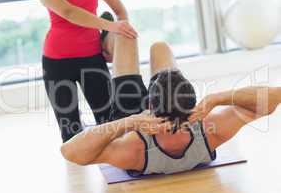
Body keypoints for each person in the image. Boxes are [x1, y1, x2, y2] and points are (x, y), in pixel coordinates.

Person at [60, 34, 281, 176]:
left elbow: (69, 150)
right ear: (193, 107)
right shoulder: (210, 131)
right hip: (156, 114)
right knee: (159, 47)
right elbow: (273, 98)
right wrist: (218, 98)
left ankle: (109, 40)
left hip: (129, 114)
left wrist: (129, 121)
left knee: (124, 36)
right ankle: (114, 37)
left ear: (150, 106)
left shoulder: (133, 147)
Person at [40, 0, 137, 142]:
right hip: (56, 63)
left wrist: (114, 41)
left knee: (110, 125)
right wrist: (112, 26)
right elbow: (69, 12)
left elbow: (120, 11)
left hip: (93, 58)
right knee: (70, 132)